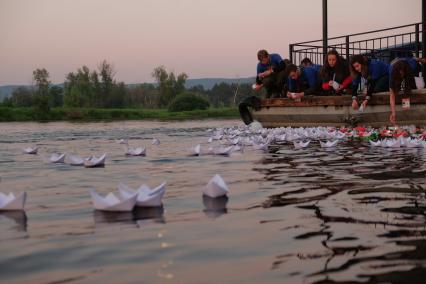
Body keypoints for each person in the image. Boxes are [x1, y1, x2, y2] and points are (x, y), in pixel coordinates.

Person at [388, 57, 417, 124]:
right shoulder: (391, 72)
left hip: (410, 62)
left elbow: (407, 88)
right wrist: (393, 113)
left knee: (412, 86)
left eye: (401, 74)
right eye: (399, 74)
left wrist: (406, 104)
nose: (401, 75)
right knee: (396, 87)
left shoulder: (411, 66)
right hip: (398, 64)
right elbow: (392, 94)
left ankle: (418, 59)